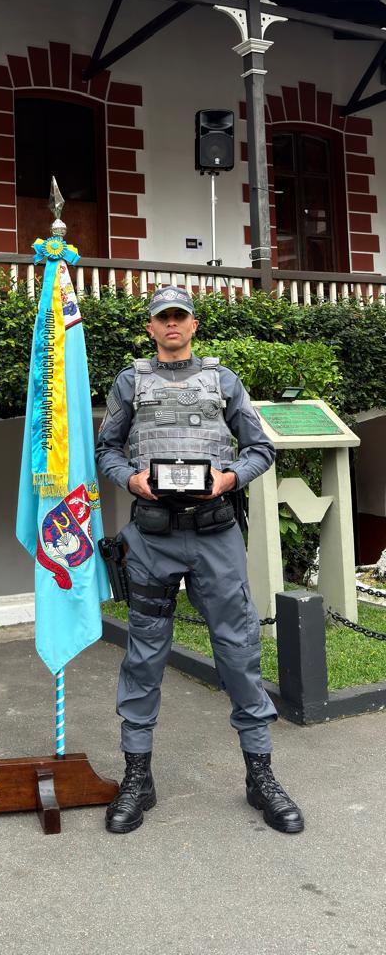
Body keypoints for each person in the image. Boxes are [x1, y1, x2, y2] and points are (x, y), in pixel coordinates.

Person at [95, 285, 304, 836]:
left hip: (215, 538)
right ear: (150, 327)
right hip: (152, 539)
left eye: (180, 317)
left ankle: (261, 776)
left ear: (193, 325)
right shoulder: (129, 382)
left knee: (238, 653)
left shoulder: (224, 380)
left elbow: (261, 449)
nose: (171, 325)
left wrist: (229, 478)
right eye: (162, 317)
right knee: (143, 656)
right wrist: (131, 479)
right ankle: (137, 777)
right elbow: (106, 450)